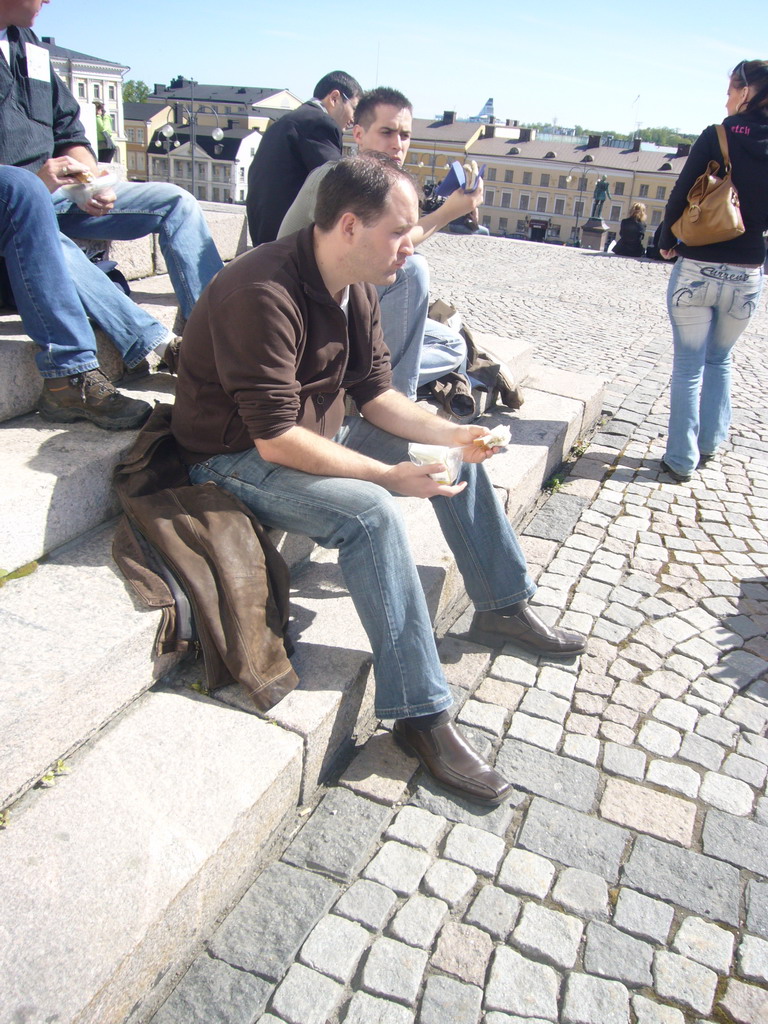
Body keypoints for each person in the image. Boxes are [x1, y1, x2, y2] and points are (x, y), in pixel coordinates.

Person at [171, 155, 586, 806]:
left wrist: (452, 436)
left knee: (447, 450)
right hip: (232, 455)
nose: (409, 244)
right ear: (346, 226)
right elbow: (275, 439)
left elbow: (376, 396)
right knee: (372, 513)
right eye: (399, 231)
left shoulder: (358, 279)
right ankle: (421, 716)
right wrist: (389, 474)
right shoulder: (263, 290)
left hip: (314, 431)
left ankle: (504, 605)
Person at [0, 0, 224, 427]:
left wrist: (84, 174)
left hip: (57, 196)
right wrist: (38, 182)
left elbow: (70, 130)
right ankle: (73, 377)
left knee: (175, 201)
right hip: (15, 207)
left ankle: (213, 349)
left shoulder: (27, 46)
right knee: (34, 209)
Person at [278, 87, 484, 400]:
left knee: (451, 345)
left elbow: (395, 239)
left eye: (404, 135)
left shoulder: (380, 180)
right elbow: (395, 247)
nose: (397, 144)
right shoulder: (344, 176)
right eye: (386, 132)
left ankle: (356, 379)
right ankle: (393, 398)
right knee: (412, 270)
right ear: (358, 134)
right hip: (305, 305)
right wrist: (447, 214)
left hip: (345, 297)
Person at [658, 59, 768, 482]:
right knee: (720, 359)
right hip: (747, 272)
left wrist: (666, 239)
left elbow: (682, 192)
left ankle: (680, 459)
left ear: (746, 92)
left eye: (730, 90)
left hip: (697, 269)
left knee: (689, 366)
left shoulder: (717, 135)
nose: (726, 99)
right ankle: (709, 445)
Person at [0, 165, 151, 428]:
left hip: (49, 197)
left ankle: (208, 339)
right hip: (26, 196)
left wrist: (89, 175)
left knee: (179, 200)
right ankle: (67, 377)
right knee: (23, 188)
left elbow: (72, 137)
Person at [246, 70, 362, 245]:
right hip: (286, 242)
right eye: (354, 108)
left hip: (264, 236)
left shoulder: (288, 121)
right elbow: (339, 182)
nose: (354, 119)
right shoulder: (318, 122)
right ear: (335, 98)